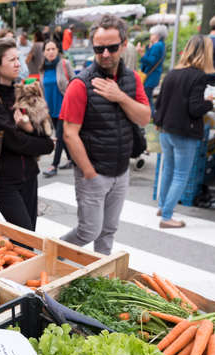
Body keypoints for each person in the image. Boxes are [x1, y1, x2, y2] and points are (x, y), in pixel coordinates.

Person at [59, 14, 151, 255]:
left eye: (112, 47)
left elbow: (144, 118)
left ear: (124, 44)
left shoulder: (131, 79)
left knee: (109, 230)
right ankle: (52, 253)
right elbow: (69, 134)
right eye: (99, 48)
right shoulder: (80, 84)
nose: (106, 54)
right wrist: (89, 172)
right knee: (88, 231)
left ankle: (103, 275)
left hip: (121, 170)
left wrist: (119, 96)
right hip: (94, 173)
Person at [0, 38, 54, 231]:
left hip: (29, 175)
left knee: (29, 235)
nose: (18, 64)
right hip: (3, 180)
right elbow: (13, 140)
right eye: (11, 60)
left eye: (18, 59)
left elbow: (44, 129)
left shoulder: (24, 91)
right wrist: (46, 145)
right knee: (24, 237)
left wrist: (29, 129)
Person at [154, 35, 215, 229]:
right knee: (181, 175)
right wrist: (210, 102)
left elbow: (159, 102)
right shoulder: (199, 76)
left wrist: (159, 123)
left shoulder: (172, 73)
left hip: (166, 129)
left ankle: (163, 207)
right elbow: (195, 108)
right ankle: (167, 216)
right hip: (184, 132)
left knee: (168, 170)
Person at [40, 39, 75, 178]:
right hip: (51, 107)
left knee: (59, 136)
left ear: (57, 50)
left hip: (64, 106)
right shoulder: (42, 68)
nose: (50, 52)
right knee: (61, 136)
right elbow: (43, 87)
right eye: (48, 49)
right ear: (44, 52)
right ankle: (72, 160)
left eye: (53, 49)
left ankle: (54, 165)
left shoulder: (64, 64)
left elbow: (75, 81)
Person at [137, 24, 167, 118]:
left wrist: (141, 53)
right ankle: (151, 115)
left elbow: (150, 62)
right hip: (154, 76)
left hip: (151, 76)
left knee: (147, 97)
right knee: (148, 97)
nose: (150, 36)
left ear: (157, 35)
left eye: (152, 34)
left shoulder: (157, 46)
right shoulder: (160, 45)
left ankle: (152, 116)